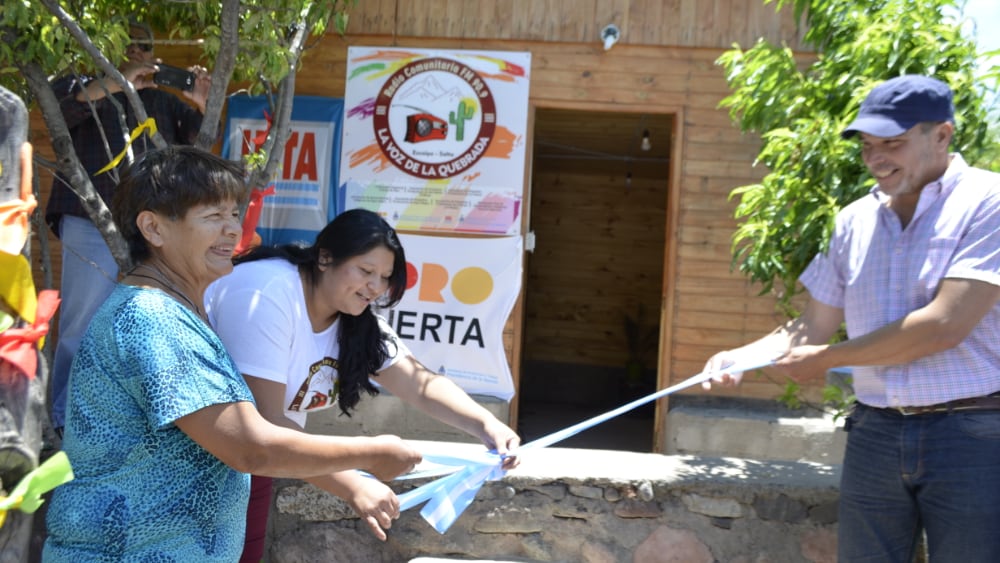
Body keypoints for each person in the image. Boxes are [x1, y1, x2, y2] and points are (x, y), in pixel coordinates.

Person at [42, 147, 422, 561]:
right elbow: (249, 447)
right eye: (212, 217)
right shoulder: (151, 318)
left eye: (232, 215)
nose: (232, 231)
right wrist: (372, 452)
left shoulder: (174, 309)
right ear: (152, 228)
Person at [701, 74, 1000, 562]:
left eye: (892, 144)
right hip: (875, 433)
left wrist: (827, 359)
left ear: (942, 135)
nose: (874, 159)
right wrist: (743, 356)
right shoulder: (853, 220)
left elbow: (946, 324)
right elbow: (810, 325)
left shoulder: (989, 201)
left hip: (970, 433)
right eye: (866, 145)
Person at [205, 208, 522, 560]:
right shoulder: (267, 293)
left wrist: (487, 424)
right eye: (365, 271)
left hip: (256, 468)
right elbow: (264, 425)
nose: (375, 287)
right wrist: (354, 483)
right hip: (198, 464)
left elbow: (420, 384)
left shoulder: (355, 319)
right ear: (324, 257)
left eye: (384, 277)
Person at [46, 20, 212, 436]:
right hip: (89, 218)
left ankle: (147, 419)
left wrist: (203, 105)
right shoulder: (79, 84)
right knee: (79, 322)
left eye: (146, 48)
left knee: (156, 318)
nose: (141, 55)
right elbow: (60, 116)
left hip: (153, 226)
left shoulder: (164, 101)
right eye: (132, 47)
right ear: (109, 48)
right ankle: (64, 420)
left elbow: (198, 154)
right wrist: (113, 84)